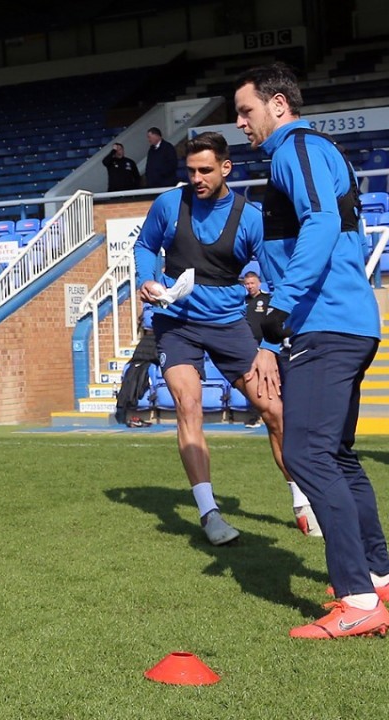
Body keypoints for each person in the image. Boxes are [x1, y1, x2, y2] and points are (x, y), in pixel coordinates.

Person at [235, 62, 389, 638]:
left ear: (278, 105)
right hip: (346, 323)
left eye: (246, 111)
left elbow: (321, 222)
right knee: (338, 456)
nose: (241, 123)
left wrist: (278, 309)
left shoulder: (294, 149)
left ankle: (357, 598)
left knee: (305, 455)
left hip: (325, 325)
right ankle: (378, 578)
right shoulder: (312, 152)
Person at [133, 130, 318, 546]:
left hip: (230, 325)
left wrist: (268, 345)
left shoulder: (250, 218)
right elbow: (145, 246)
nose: (196, 178)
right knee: (188, 406)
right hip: (176, 323)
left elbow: (277, 280)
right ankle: (209, 513)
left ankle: (302, 500)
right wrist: (147, 278)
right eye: (191, 170)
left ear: (226, 168)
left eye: (205, 170)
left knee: (274, 410)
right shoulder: (168, 204)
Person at [241, 270, 272, 428]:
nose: (250, 286)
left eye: (252, 283)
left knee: (270, 379)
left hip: (265, 346)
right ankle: (254, 417)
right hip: (248, 345)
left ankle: (274, 414)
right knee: (252, 380)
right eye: (247, 284)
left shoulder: (267, 300)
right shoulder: (242, 301)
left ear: (259, 283)